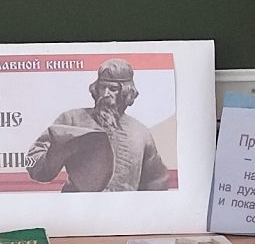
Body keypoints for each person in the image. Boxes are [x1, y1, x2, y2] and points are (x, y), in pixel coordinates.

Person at [24, 57, 169, 192]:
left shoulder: (141, 133)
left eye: (113, 89)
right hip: (78, 208)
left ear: (126, 93)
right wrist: (58, 153)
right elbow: (32, 162)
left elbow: (157, 181)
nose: (105, 94)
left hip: (123, 209)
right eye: (102, 87)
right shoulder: (72, 120)